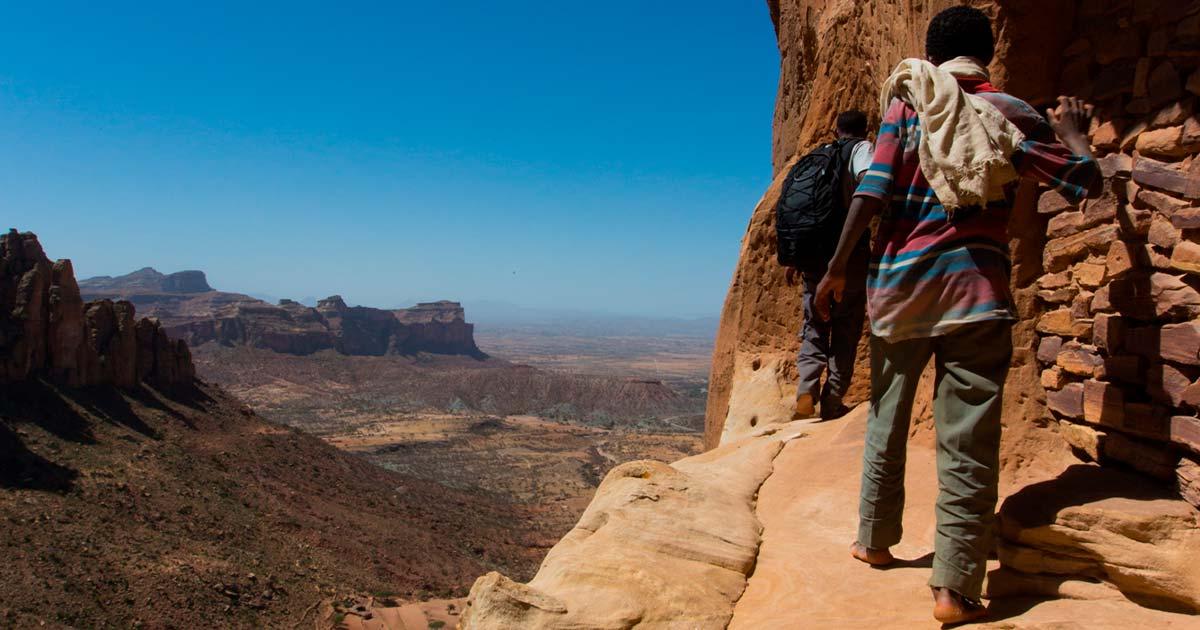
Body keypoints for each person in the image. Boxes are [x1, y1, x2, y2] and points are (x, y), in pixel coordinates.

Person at [814, 6, 1101, 625]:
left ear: (930, 51)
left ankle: (874, 541)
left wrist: (839, 268)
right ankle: (954, 586)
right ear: (989, 50)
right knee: (967, 437)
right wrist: (1075, 132)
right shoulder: (1014, 113)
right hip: (977, 290)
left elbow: (873, 192)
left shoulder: (908, 105)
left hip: (900, 292)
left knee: (886, 416)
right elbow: (1083, 182)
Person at [794, 110, 874, 421]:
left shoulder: (818, 158)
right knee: (845, 327)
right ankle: (832, 399)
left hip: (812, 259)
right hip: (847, 258)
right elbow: (869, 188)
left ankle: (806, 387)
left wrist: (796, 257)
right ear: (865, 130)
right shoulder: (861, 150)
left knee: (814, 326)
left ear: (835, 129)